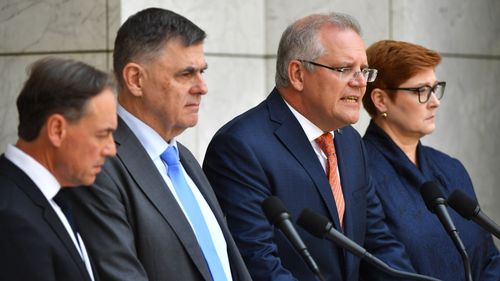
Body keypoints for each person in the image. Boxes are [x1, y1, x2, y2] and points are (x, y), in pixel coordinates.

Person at [203, 13, 416, 281]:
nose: (360, 82)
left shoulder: (350, 142)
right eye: (343, 69)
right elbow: (257, 264)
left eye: (363, 70)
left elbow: (379, 245)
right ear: (297, 74)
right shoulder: (240, 146)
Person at [65, 7, 251, 281]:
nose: (202, 87)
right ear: (135, 79)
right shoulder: (98, 164)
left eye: (202, 72)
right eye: (186, 74)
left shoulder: (183, 158)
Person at [361, 39, 500, 281]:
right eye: (421, 91)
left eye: (435, 88)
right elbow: (383, 267)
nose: (436, 101)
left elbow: (488, 257)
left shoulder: (450, 168)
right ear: (380, 100)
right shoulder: (358, 172)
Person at [0, 57, 117, 281]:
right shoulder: (10, 218)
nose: (111, 149)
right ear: (56, 130)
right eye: (102, 134)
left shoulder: (56, 196)